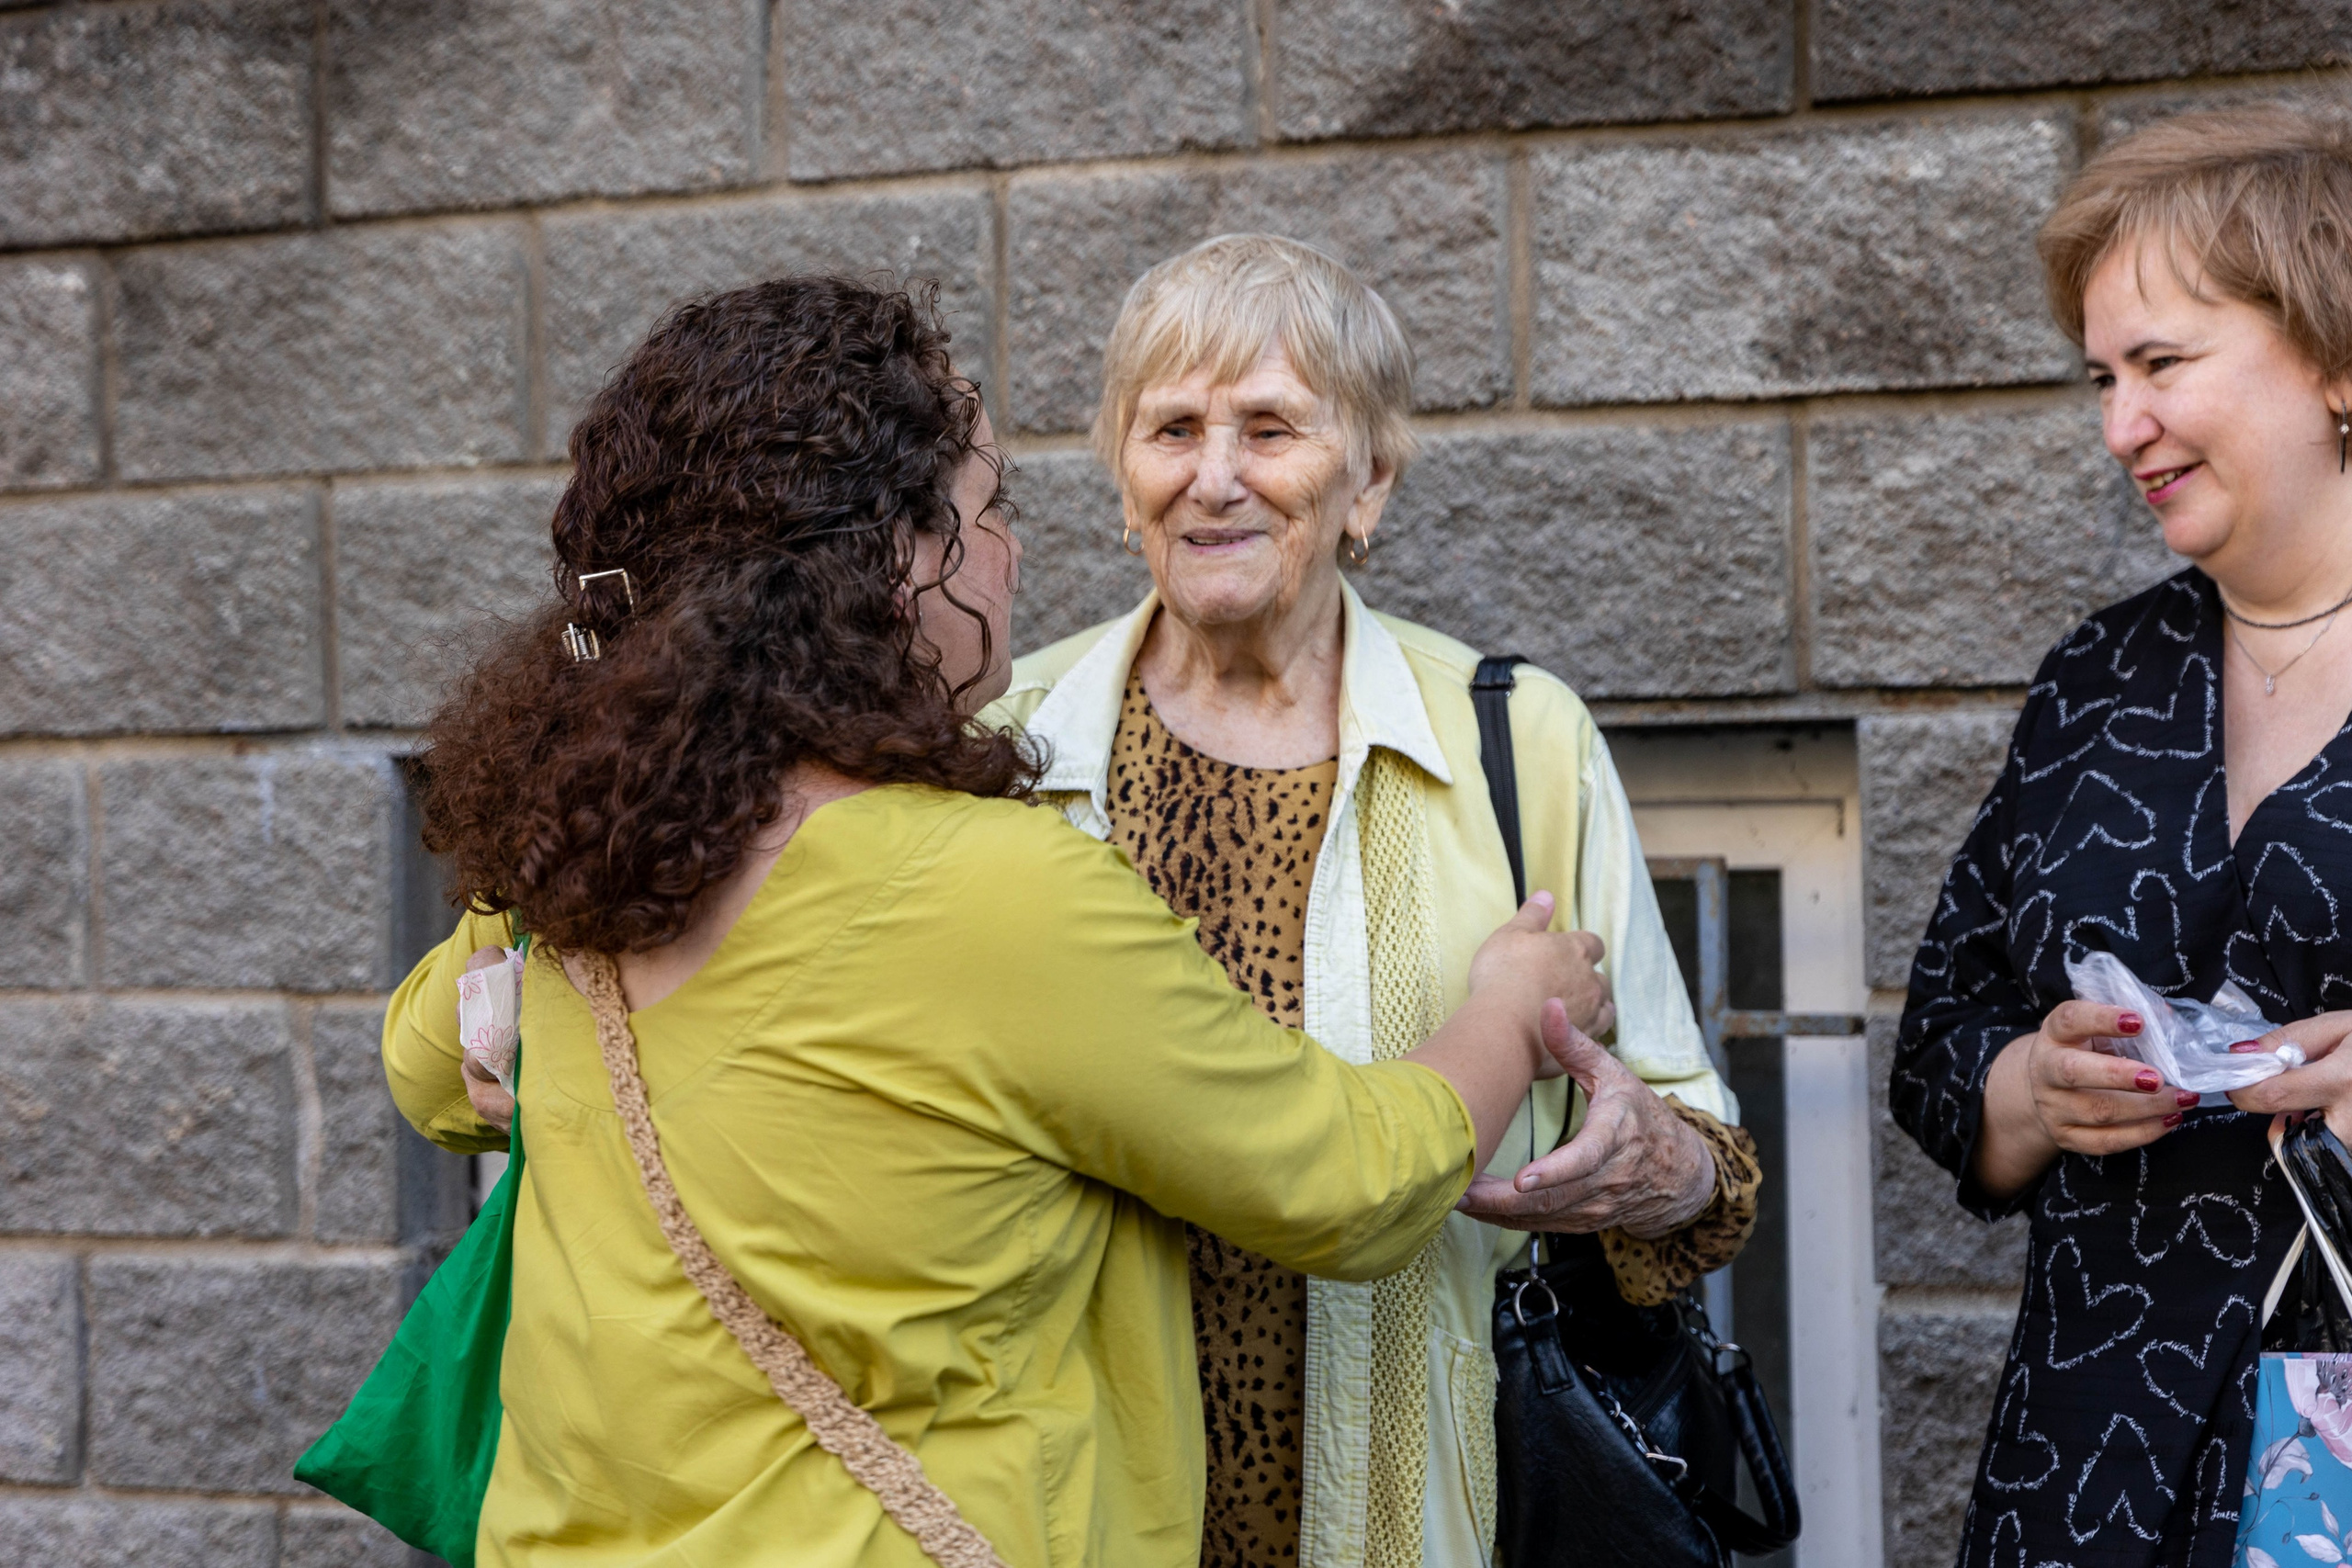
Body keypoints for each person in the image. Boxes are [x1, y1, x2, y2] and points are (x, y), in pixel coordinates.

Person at [385, 276, 1599, 1568]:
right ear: (896, 566)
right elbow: (1350, 1182)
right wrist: (1511, 1008)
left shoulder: (587, 858)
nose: (1018, 550)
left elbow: (427, 1068)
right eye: (990, 508)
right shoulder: (990, 892)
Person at [984, 233, 1760, 1568]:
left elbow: (1710, 1164)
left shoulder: (1514, 739)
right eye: (1171, 428)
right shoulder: (1004, 747)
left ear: (1370, 480)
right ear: (1121, 476)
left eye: (1271, 429)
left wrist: (1651, 1164)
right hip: (1074, 1509)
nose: (1214, 477)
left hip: (1424, 1510)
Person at [1892, 107, 2352, 1567]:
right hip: (2091, 1462)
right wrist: (2034, 1086)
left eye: (2161, 363)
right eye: (2102, 376)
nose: (2119, 426)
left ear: (2336, 357)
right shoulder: (2098, 683)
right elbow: (1941, 1033)